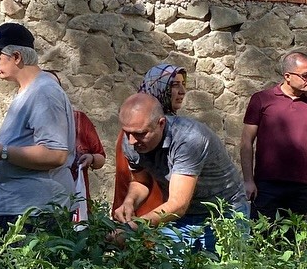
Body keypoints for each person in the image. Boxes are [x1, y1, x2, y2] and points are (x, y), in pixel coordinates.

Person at [113, 93, 249, 253]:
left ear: (161, 123)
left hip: (224, 211)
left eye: (140, 133)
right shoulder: (132, 141)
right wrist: (130, 202)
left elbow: (178, 204)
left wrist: (133, 228)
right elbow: (141, 182)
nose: (131, 141)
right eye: (127, 132)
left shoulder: (189, 140)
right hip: (180, 217)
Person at [0, 22, 75, 231]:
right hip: (22, 210)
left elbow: (56, 154)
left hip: (35, 214)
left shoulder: (44, 92)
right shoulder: (29, 91)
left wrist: (2, 152)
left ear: (17, 57)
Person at [240, 51, 307, 222]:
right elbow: (246, 142)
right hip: (266, 184)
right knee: (261, 240)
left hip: (300, 185)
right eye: (305, 75)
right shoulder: (262, 100)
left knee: (294, 240)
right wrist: (248, 180)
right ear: (287, 76)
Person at [112, 64, 187, 221]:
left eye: (183, 84)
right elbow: (137, 181)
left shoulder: (173, 132)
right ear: (159, 87)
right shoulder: (136, 136)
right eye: (174, 85)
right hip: (145, 215)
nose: (182, 91)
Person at [43, 69, 105, 219]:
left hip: (78, 202)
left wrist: (91, 158)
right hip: (44, 203)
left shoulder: (79, 120)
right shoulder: (31, 124)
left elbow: (101, 159)